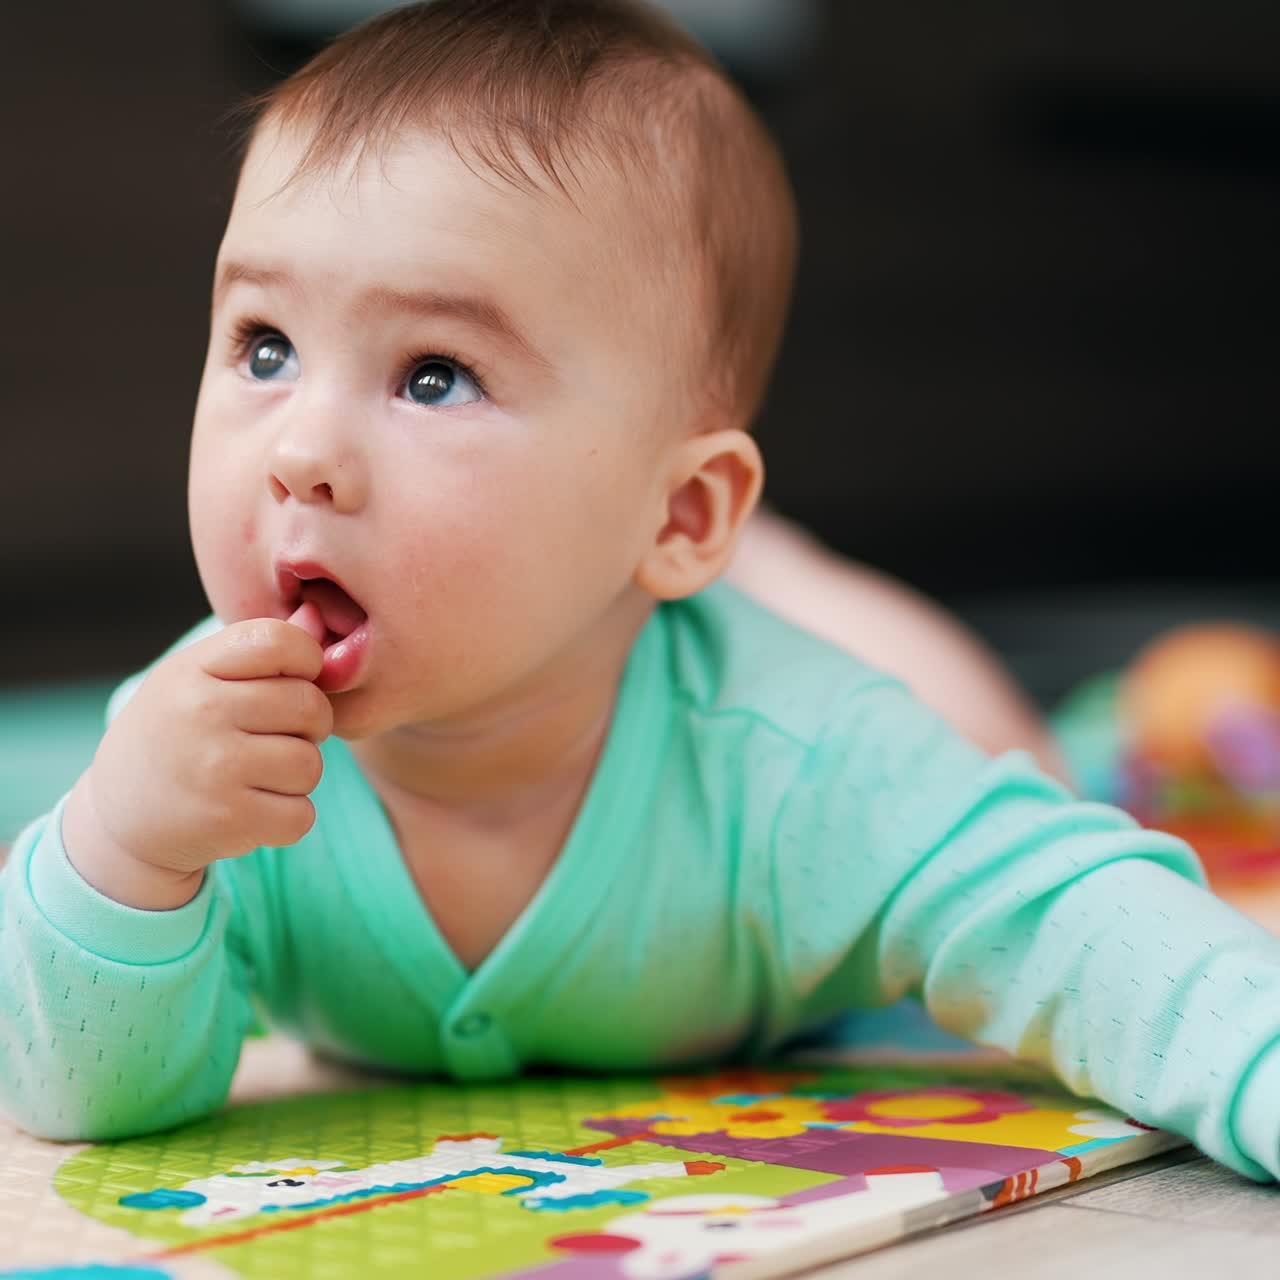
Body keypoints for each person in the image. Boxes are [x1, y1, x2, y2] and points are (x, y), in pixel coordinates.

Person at [3, 0, 1278, 1185]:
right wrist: (125, 853)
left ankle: (786, 567)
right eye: (263, 346)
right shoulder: (207, 759)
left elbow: (1069, 919)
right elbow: (83, 1094)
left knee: (1000, 741)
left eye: (434, 374)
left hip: (799, 682)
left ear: (677, 513)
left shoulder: (799, 765)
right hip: (654, 585)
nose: (299, 452)